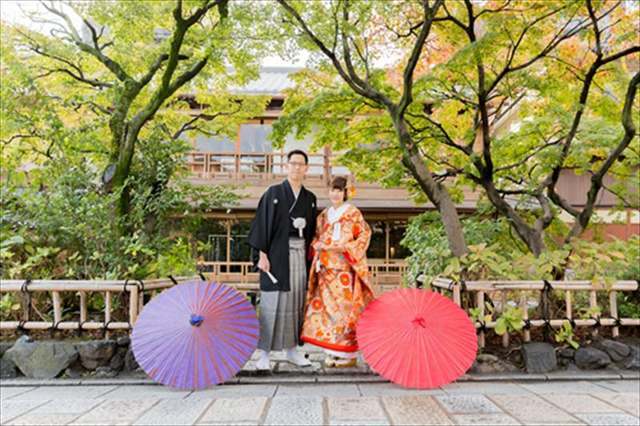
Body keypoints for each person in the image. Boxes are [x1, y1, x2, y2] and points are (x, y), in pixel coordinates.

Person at [248, 149, 318, 370]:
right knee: (271, 301)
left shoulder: (310, 199)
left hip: (299, 254)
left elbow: (314, 232)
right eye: (293, 163)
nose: (297, 168)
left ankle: (291, 350)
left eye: (301, 164)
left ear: (306, 168)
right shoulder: (274, 193)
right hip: (277, 254)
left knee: (296, 301)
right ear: (286, 166)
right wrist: (262, 254)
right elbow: (262, 223)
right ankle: (265, 353)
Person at [301, 176, 374, 368]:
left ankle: (347, 354)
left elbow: (364, 235)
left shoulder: (352, 213)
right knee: (328, 310)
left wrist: (346, 248)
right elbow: (316, 237)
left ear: (345, 193)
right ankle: (332, 352)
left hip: (344, 268)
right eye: (333, 190)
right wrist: (319, 246)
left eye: (339, 190)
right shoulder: (324, 215)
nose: (335, 194)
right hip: (325, 267)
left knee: (344, 310)